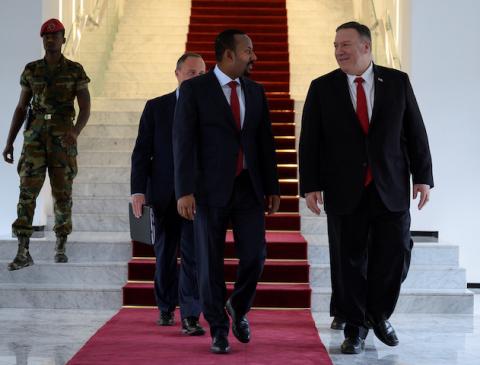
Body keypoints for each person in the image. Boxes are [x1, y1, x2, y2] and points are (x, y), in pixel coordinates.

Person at [299, 21, 433, 354]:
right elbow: (310, 141)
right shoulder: (322, 88)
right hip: (345, 188)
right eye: (335, 45)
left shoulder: (397, 82)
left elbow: (416, 131)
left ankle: (378, 313)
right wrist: (311, 185)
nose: (339, 51)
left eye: (345, 44)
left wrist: (424, 177)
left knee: (396, 254)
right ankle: (355, 328)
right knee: (349, 261)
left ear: (366, 47)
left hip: (390, 186)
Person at [173, 29, 280, 354]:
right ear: (229, 55)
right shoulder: (195, 90)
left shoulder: (256, 91)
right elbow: (183, 142)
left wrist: (273, 186)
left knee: (256, 256)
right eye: (248, 51)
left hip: (248, 188)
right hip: (207, 191)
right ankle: (218, 329)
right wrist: (184, 190)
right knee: (209, 264)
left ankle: (238, 306)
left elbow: (265, 142)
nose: (254, 57)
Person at [3, 18, 91, 270]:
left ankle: (61, 243)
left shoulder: (75, 70)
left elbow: (85, 107)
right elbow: (21, 107)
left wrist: (75, 132)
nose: (50, 39)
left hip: (63, 136)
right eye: (46, 36)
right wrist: (9, 141)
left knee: (62, 192)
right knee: (27, 192)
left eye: (55, 35)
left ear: (64, 39)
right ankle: (23, 250)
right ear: (42, 39)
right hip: (35, 138)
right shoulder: (32, 70)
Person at [130, 52, 206, 336]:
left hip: (197, 196)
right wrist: (137, 190)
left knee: (193, 256)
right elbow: (142, 152)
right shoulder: (156, 107)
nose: (196, 78)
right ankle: (165, 307)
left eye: (201, 74)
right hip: (161, 195)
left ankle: (190, 315)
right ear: (177, 74)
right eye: (191, 73)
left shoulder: (211, 108)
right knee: (164, 254)